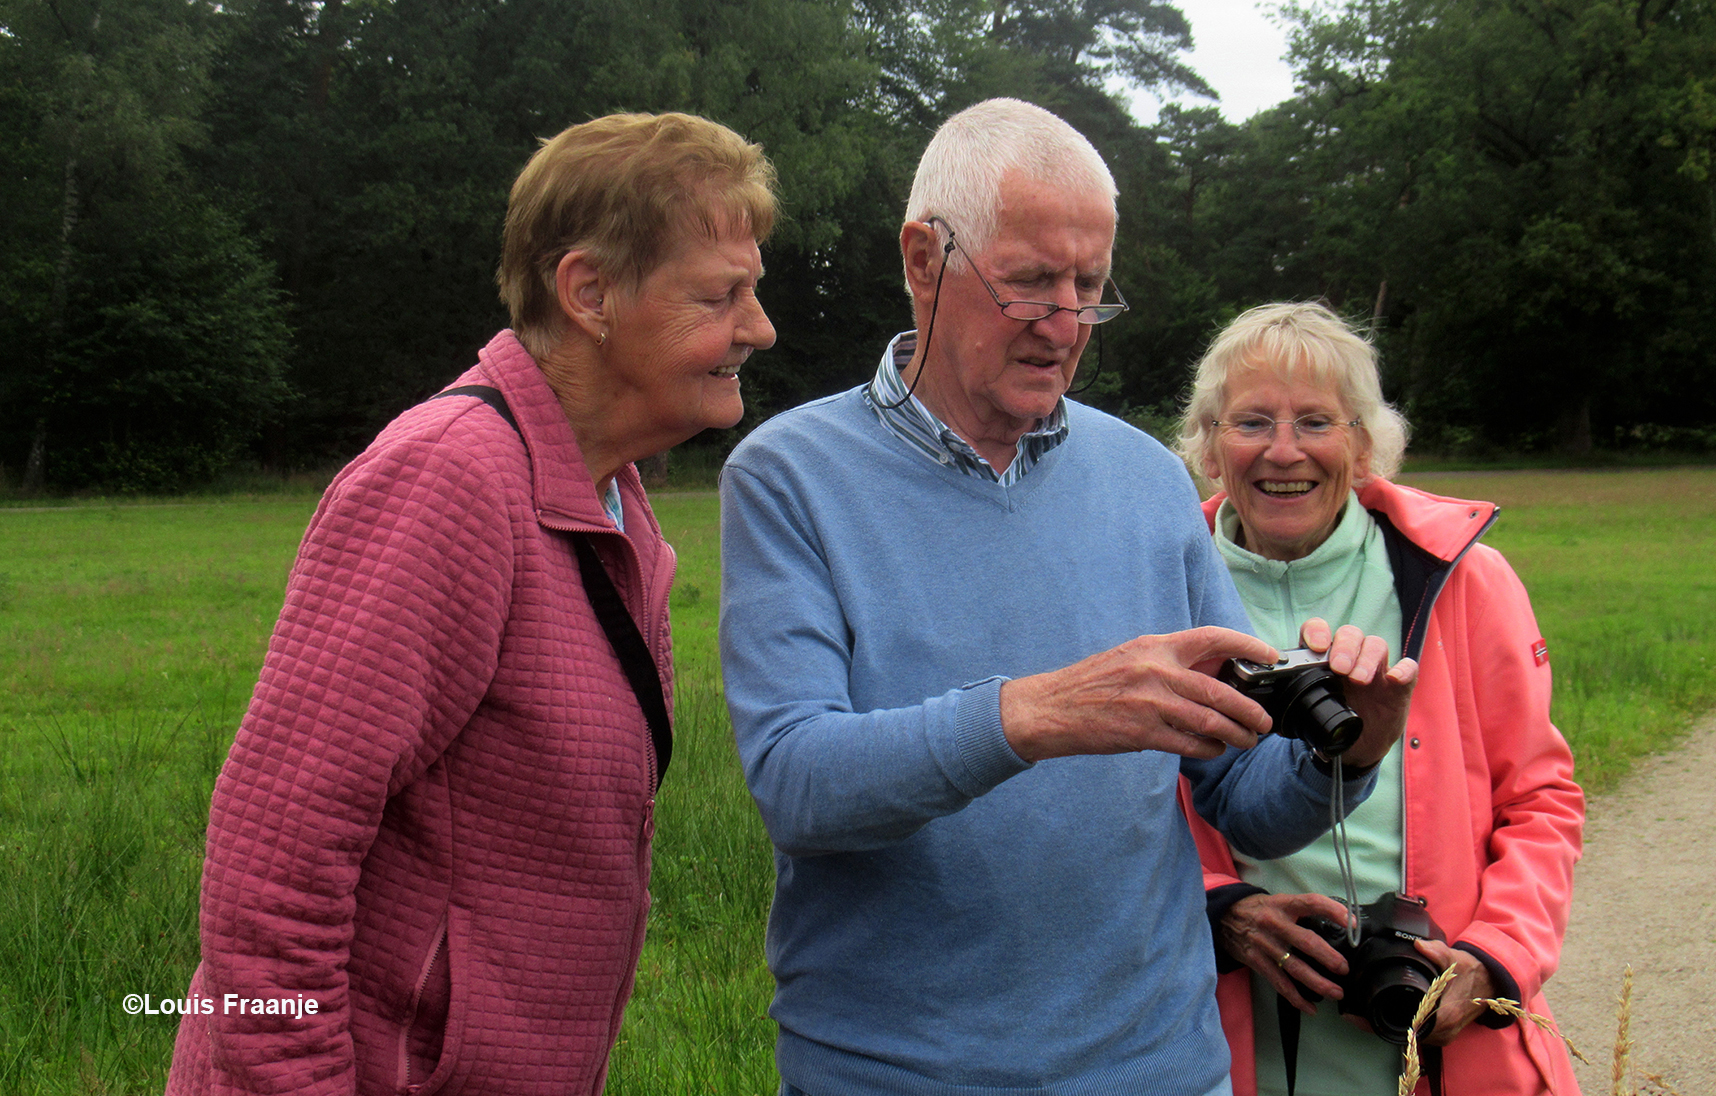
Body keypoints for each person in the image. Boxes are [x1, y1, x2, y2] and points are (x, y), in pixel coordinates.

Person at [718, 98, 1417, 1096]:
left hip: (1160, 1068)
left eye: (1091, 286)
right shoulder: (789, 477)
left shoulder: (1146, 479)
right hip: (896, 1075)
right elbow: (797, 783)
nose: (1065, 324)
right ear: (924, 259)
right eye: (1031, 283)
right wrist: (1036, 713)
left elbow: (1240, 798)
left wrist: (1347, 747)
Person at [165, 112, 778, 1095]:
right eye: (722, 294)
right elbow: (268, 875)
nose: (759, 327)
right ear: (589, 293)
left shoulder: (616, 508)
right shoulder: (449, 479)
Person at [1174, 301, 1584, 1096]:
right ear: (1209, 445)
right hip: (1225, 1031)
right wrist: (1220, 910)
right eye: (1252, 421)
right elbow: (1106, 809)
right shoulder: (1157, 583)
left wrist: (1496, 955)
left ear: (1364, 443)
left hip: (1437, 1031)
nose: (1283, 451)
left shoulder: (1462, 580)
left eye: (1316, 422)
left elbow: (1541, 798)